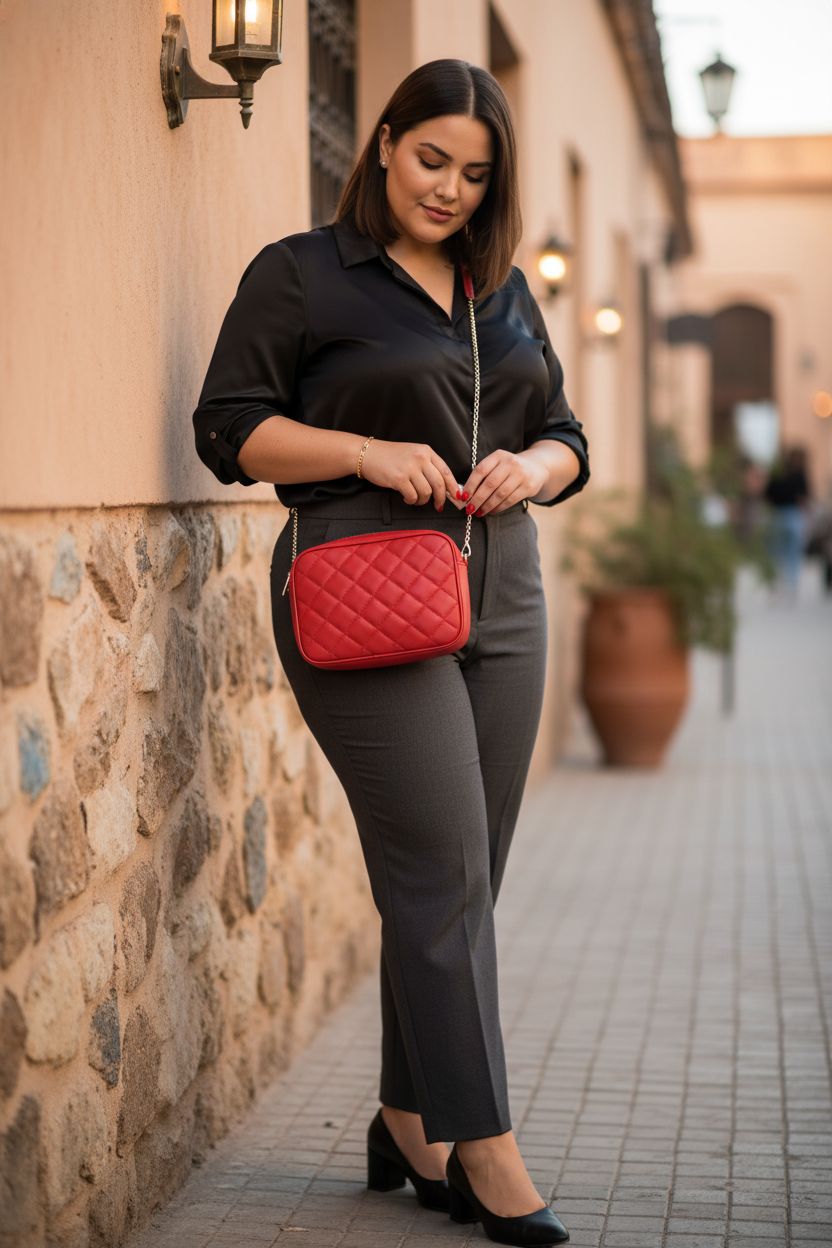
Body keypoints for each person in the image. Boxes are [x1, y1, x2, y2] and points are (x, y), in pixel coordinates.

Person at [193, 58, 589, 1247]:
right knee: (443, 866)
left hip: (501, 586)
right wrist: (363, 454)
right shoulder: (304, 273)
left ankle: (407, 1114)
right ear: (380, 142)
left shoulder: (501, 289)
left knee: (466, 873)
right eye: (432, 160)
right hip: (360, 580)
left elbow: (566, 432)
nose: (450, 191)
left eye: (476, 174)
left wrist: (535, 469)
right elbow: (228, 428)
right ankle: (486, 1148)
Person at [763, 444, 811, 599]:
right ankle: (790, 585)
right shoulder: (798, 475)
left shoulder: (778, 475)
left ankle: (780, 584)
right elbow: (805, 497)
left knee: (779, 552)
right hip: (791, 515)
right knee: (791, 553)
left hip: (779, 514)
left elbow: (767, 495)